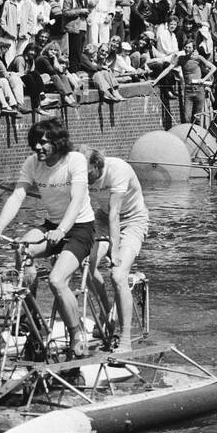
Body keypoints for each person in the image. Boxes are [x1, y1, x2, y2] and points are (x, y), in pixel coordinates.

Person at [0, 118, 96, 357]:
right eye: (35, 143)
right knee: (22, 250)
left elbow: (77, 200)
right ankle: (31, 317)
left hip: (79, 228)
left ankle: (77, 333)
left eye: (44, 143)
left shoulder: (74, 160)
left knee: (57, 281)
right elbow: (17, 196)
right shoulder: (32, 163)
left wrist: (62, 231)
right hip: (52, 225)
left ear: (58, 143)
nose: (38, 148)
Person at [85, 148, 148, 351]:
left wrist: (115, 251)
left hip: (132, 220)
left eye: (86, 174)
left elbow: (115, 213)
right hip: (102, 218)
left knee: (118, 274)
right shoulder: (82, 174)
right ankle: (105, 315)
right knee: (85, 264)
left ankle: (126, 339)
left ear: (95, 166)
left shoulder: (117, 170)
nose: (83, 178)